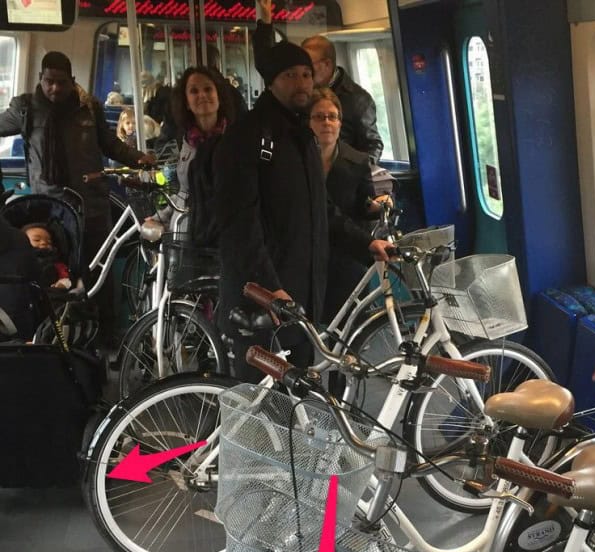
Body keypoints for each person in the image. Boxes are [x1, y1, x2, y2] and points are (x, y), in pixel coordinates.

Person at [213, 40, 394, 381]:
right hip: (261, 300)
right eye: (290, 75)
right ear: (271, 81)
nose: (301, 83)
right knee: (258, 402)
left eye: (306, 74)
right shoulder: (247, 136)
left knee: (294, 394)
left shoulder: (303, 137)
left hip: (299, 297)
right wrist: (270, 289)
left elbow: (320, 209)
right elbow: (239, 226)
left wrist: (366, 244)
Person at [0, 51, 154, 347]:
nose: (54, 88)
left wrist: (138, 158)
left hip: (91, 205)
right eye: (49, 82)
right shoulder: (26, 109)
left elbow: (109, 145)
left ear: (72, 81)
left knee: (99, 274)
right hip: (51, 210)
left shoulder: (89, 108)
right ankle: (55, 337)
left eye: (60, 82)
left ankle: (106, 338)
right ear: (40, 80)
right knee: (56, 272)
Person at [253, 0, 384, 162]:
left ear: (327, 64)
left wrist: (354, 174)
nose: (302, 76)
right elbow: (269, 67)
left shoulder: (357, 99)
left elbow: (372, 144)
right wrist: (265, 25)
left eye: (308, 69)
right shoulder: (300, 95)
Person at [309, 88, 387, 321]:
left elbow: (364, 204)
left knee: (347, 325)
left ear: (340, 123)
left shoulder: (357, 160)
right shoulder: (295, 160)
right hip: (306, 251)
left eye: (332, 117)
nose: (327, 122)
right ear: (308, 122)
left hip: (345, 250)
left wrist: (376, 206)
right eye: (319, 117)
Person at [153, 65, 233, 242]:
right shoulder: (186, 141)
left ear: (218, 95)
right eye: (194, 91)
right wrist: (161, 216)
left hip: (224, 235)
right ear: (187, 103)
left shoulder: (235, 140)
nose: (202, 95)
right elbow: (184, 193)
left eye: (208, 89)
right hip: (187, 234)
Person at [21, 223, 71, 289]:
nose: (43, 243)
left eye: (49, 242)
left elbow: (66, 277)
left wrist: (62, 284)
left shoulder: (56, 263)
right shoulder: (20, 259)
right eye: (37, 240)